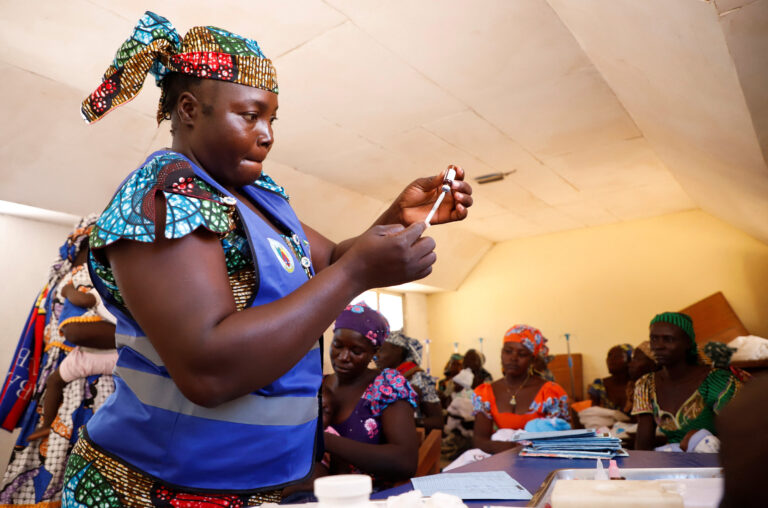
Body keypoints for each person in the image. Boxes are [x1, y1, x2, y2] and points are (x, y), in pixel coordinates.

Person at [62, 12, 472, 505]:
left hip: (255, 485)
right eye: (250, 115)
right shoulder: (167, 196)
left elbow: (327, 261)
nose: (267, 134)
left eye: (272, 118)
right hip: (158, 489)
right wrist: (361, 271)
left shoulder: (256, 194)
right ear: (190, 109)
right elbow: (207, 371)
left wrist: (399, 218)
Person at [0, 217, 118, 507]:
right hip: (66, 369)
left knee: (82, 452)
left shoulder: (96, 276)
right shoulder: (67, 277)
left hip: (91, 379)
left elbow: (88, 328)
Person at [323, 304, 419, 488]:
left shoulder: (386, 386)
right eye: (337, 345)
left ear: (374, 353)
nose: (343, 357)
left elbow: (405, 463)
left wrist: (325, 441)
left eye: (356, 351)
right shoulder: (317, 385)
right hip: (315, 494)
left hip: (370, 497)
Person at [27, 255, 118, 442]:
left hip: (86, 358)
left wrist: (68, 291)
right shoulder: (120, 297)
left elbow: (84, 301)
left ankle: (46, 425)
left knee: (54, 382)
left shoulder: (95, 294)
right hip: (116, 358)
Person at [632, 312, 742, 451]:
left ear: (688, 343)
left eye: (668, 339)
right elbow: (643, 445)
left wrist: (699, 440)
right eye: (654, 339)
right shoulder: (646, 384)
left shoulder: (716, 381)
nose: (658, 346)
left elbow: (741, 434)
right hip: (674, 464)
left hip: (716, 462)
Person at [472, 325, 570, 454]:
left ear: (532, 360)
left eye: (522, 354)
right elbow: (479, 440)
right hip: (500, 459)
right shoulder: (485, 393)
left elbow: (563, 440)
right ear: (501, 353)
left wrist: (523, 449)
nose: (513, 358)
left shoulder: (550, 394)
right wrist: (511, 449)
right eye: (508, 351)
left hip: (542, 461)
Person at [375, 332, 443, 434]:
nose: (376, 356)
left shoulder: (418, 377)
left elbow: (437, 421)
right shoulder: (381, 378)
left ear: (398, 350)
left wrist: (411, 422)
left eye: (381, 350)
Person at [588, 344, 633, 412]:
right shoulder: (599, 385)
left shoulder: (637, 385)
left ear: (630, 360)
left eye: (617, 356)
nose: (611, 359)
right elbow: (594, 414)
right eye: (609, 356)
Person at [623, 340, 659, 414]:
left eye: (637, 359)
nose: (630, 364)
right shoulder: (633, 386)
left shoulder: (657, 389)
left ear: (653, 365)